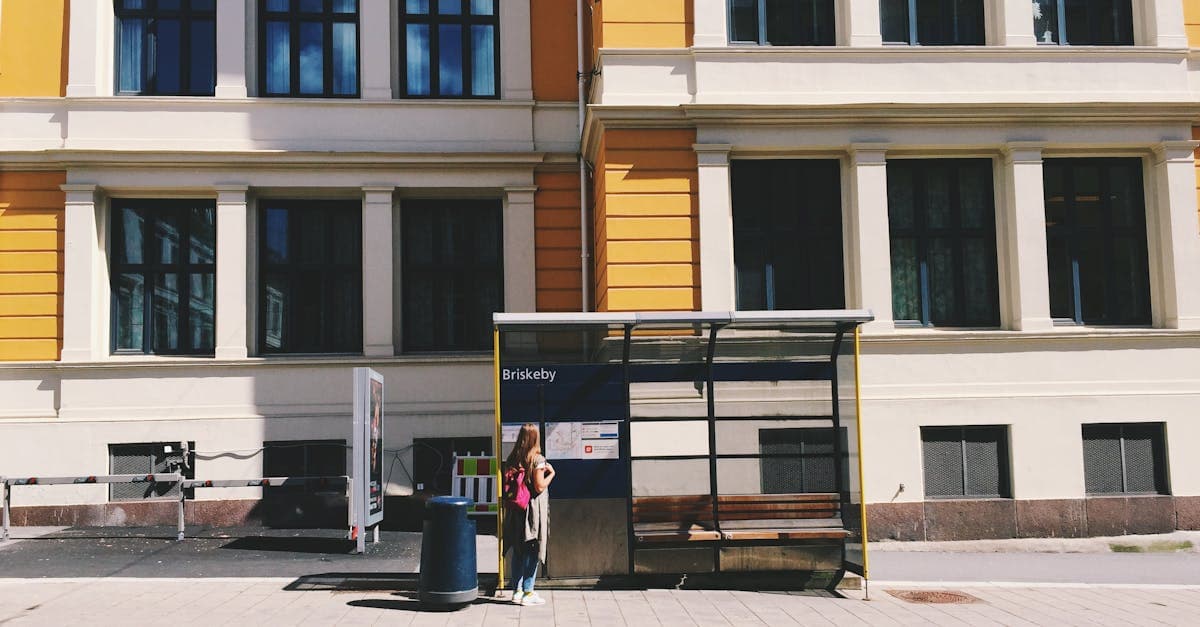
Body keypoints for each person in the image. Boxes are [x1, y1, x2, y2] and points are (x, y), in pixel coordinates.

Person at [503, 423, 555, 606]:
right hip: (532, 511)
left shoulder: (512, 458)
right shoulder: (538, 459)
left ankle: (516, 591)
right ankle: (528, 592)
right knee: (532, 550)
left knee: (518, 550)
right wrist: (552, 474)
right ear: (535, 438)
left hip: (515, 511)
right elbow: (539, 486)